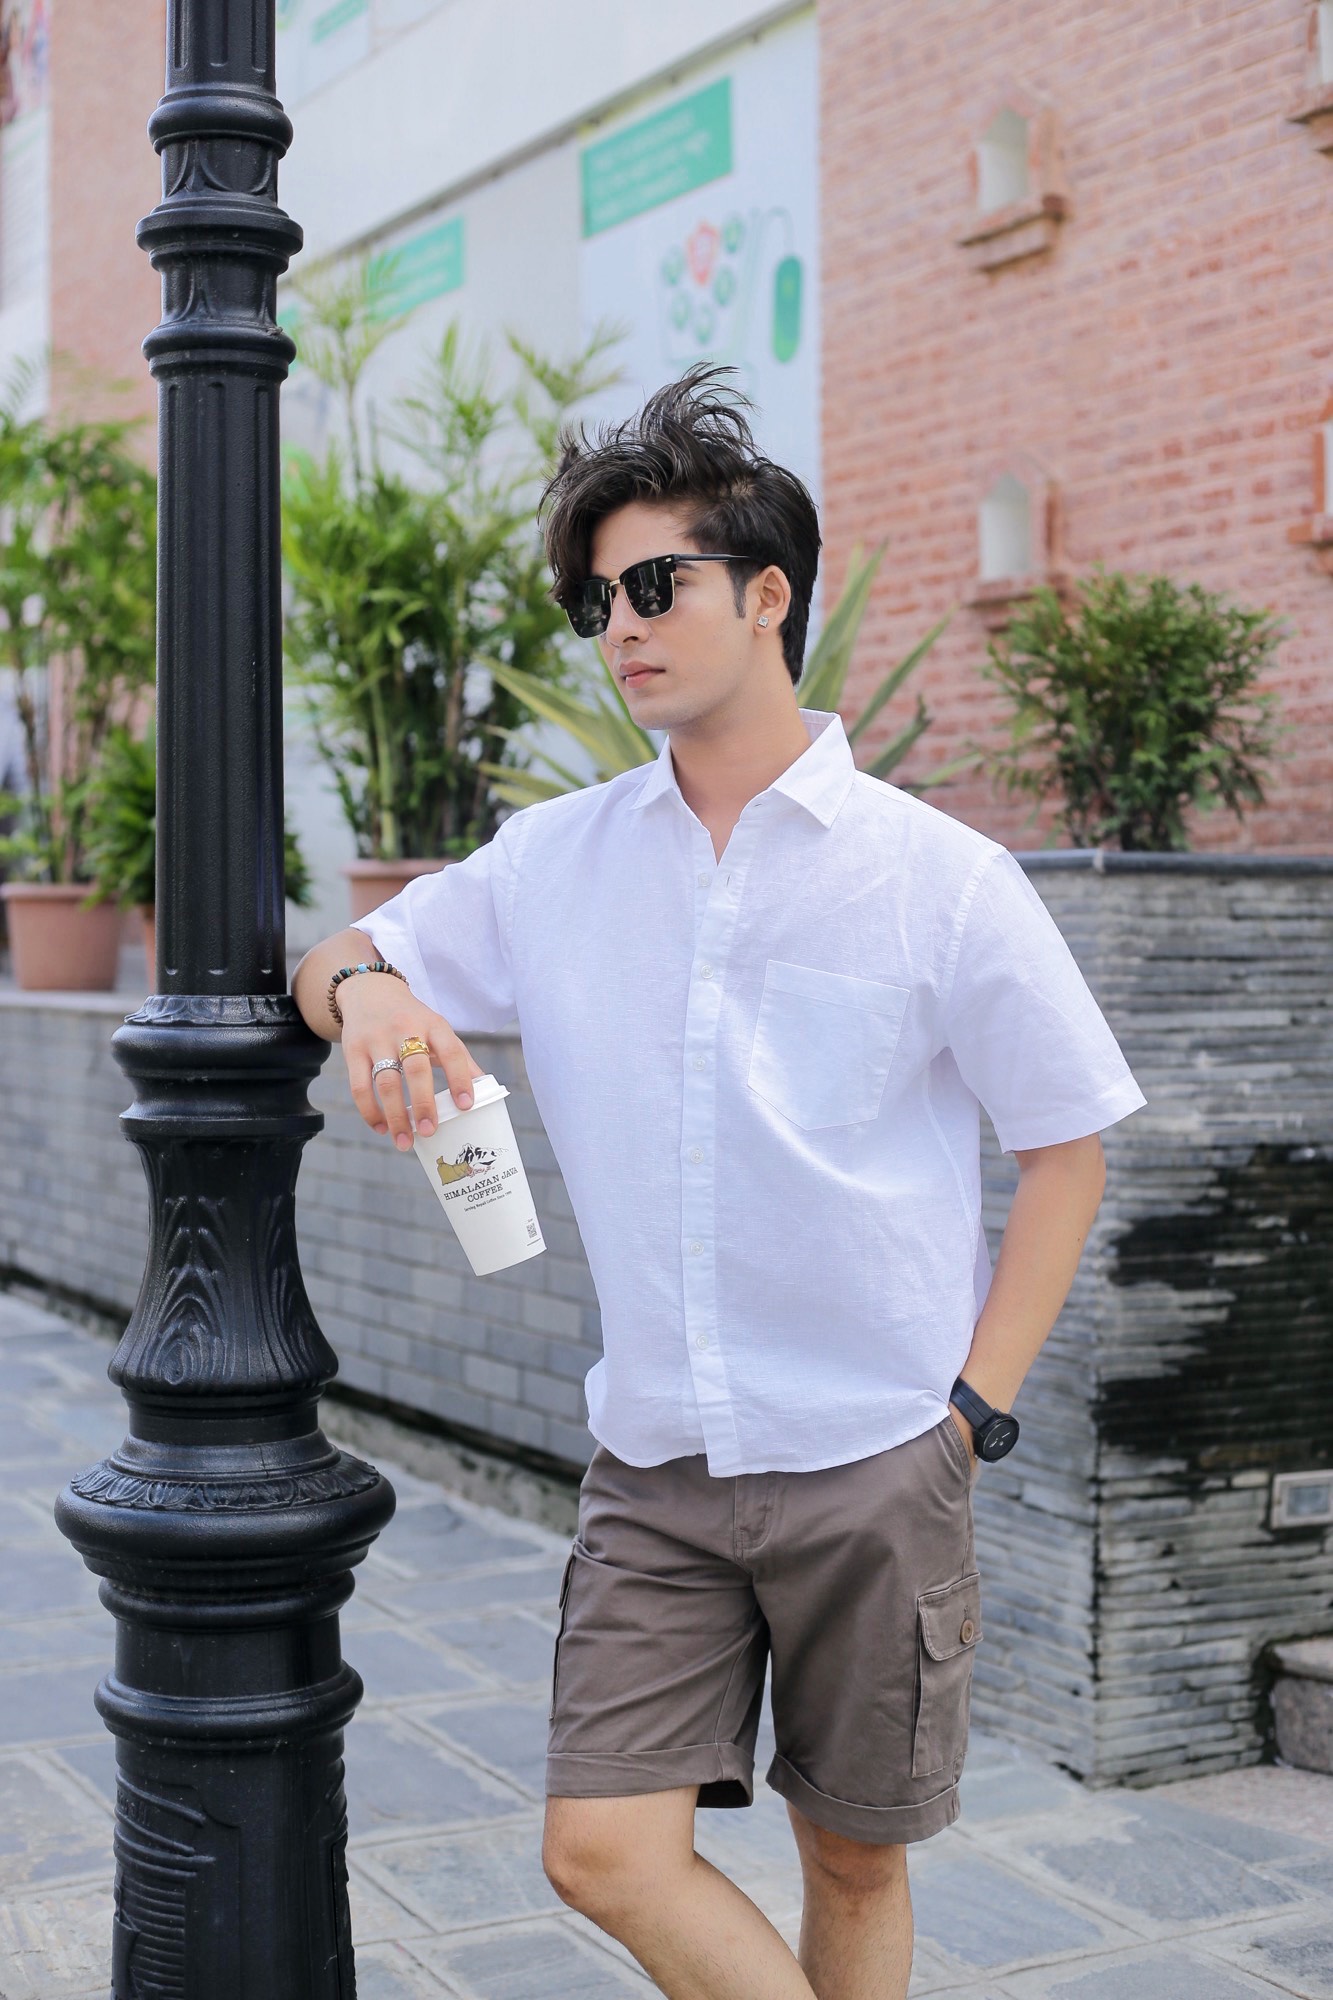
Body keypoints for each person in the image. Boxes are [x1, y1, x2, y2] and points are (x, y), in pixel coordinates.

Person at [290, 365, 1145, 2000]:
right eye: (594, 602)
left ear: (766, 596)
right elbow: (337, 953)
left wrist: (968, 1415)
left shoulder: (938, 878)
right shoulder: (555, 860)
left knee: (853, 1853)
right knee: (601, 1850)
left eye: (653, 586)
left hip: (875, 1454)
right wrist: (375, 994)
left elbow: (1067, 1149)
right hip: (656, 1463)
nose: (617, 628)